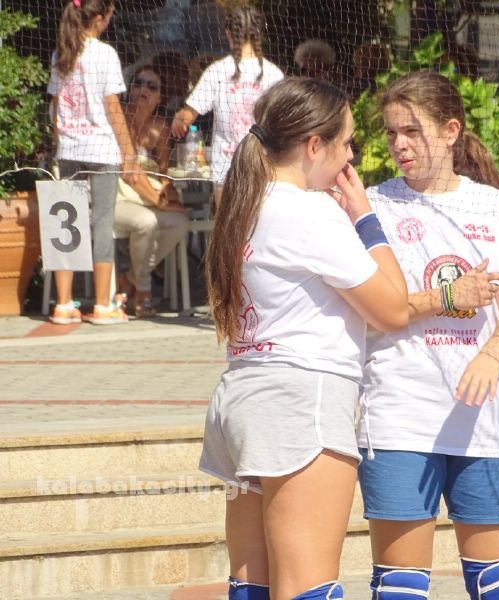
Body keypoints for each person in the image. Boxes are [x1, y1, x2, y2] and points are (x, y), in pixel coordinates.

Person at [198, 77, 408, 600]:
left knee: (251, 585)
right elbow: (393, 309)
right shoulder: (309, 210)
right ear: (314, 145)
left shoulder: (244, 202)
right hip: (301, 402)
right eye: (347, 142)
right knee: (307, 588)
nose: (351, 156)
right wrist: (364, 218)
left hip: (242, 399)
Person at [356, 70, 499, 600]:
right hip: (400, 414)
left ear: (451, 131)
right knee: (400, 588)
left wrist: (491, 353)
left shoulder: (489, 205)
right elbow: (374, 311)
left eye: (412, 131)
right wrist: (446, 297)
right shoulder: (371, 206)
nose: (399, 145)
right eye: (391, 133)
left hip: (484, 418)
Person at [47, 0, 141, 325]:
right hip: (101, 150)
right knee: (102, 224)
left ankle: (63, 304)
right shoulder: (105, 54)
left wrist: (60, 141)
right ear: (99, 18)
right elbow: (113, 107)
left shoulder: (61, 53)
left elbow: (56, 106)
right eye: (109, 16)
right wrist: (129, 154)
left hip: (70, 150)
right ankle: (102, 305)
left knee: (65, 225)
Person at [171, 4, 283, 208]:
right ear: (259, 33)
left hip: (226, 169)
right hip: (263, 168)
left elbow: (188, 116)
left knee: (226, 226)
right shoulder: (274, 74)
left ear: (228, 33)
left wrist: (178, 120)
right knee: (258, 225)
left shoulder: (217, 71)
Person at [113, 64, 189, 318]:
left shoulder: (160, 127)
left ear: (159, 98)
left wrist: (170, 195)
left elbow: (164, 173)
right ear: (129, 89)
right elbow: (130, 172)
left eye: (151, 86)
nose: (143, 89)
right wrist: (159, 201)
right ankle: (144, 291)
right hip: (117, 197)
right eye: (138, 83)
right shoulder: (118, 118)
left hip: (145, 198)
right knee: (146, 222)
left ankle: (129, 280)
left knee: (179, 222)